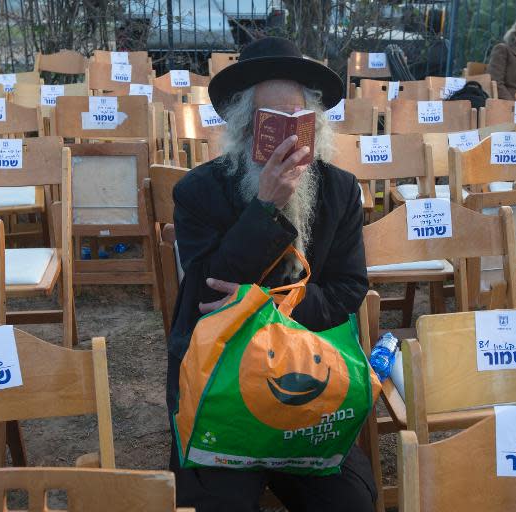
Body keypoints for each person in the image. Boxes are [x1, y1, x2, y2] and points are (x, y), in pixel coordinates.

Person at [165, 37, 376, 512]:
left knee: (350, 503)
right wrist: (265, 206)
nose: (285, 139)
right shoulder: (198, 191)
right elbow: (204, 294)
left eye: (296, 121)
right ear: (245, 126)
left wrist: (265, 305)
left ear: (313, 126)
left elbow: (348, 289)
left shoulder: (339, 190)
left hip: (308, 380)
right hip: (220, 378)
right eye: (270, 122)